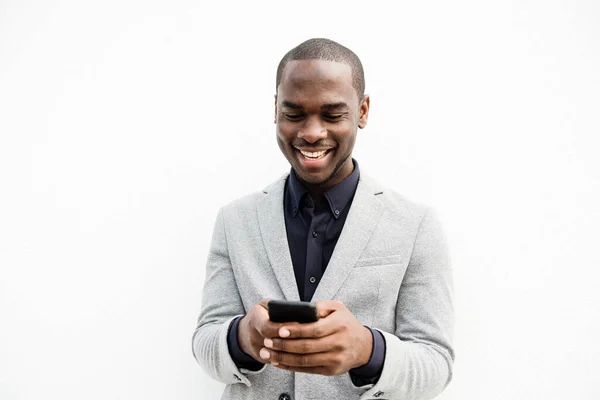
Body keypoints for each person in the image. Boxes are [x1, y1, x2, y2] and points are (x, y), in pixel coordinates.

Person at [192, 38, 454, 400]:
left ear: (362, 111)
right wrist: (241, 338)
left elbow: (436, 364)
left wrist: (367, 349)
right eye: (294, 113)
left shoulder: (415, 225)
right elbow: (205, 340)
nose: (312, 132)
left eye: (332, 115)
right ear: (275, 110)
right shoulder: (235, 220)